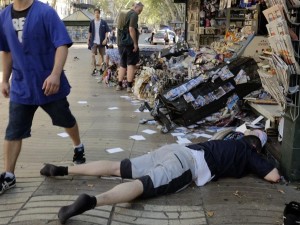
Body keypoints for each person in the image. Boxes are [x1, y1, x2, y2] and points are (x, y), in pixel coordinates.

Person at [40, 132, 280, 224]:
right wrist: (257, 162)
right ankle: (91, 202)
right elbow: (274, 176)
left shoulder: (224, 141)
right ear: (255, 147)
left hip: (176, 150)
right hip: (185, 166)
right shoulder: (249, 153)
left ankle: (61, 170)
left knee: (117, 167)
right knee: (141, 185)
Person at [0, 0, 86, 195]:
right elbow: (6, 50)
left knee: (65, 119)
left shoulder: (45, 13)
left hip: (48, 84)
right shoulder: (4, 17)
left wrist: (55, 74)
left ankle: (78, 146)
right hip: (22, 86)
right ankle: (9, 175)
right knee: (13, 130)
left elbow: (62, 45)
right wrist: (4, 79)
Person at [115, 1, 144, 93]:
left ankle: (119, 85)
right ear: (135, 7)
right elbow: (131, 29)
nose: (140, 12)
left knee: (122, 64)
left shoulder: (123, 13)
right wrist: (135, 43)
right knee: (131, 64)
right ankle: (129, 86)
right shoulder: (134, 15)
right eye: (139, 10)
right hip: (129, 43)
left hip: (120, 43)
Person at [87, 8, 110, 75]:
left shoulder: (103, 22)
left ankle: (101, 69)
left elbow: (107, 31)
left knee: (102, 56)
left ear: (99, 14)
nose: (96, 14)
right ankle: (94, 69)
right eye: (95, 13)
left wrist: (106, 39)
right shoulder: (91, 22)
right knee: (93, 55)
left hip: (102, 41)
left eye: (98, 13)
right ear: (94, 14)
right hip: (93, 41)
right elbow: (89, 32)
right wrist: (88, 39)